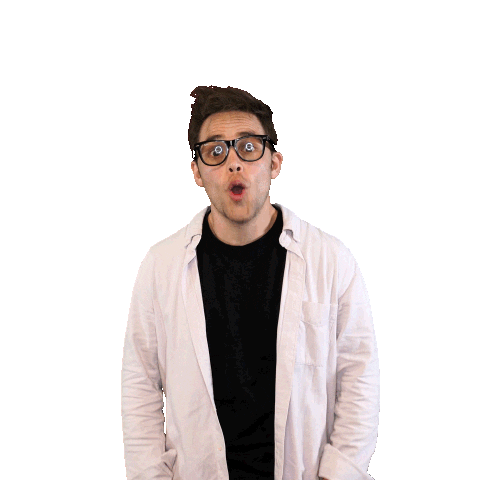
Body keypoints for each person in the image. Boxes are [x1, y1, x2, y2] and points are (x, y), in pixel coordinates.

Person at [121, 86, 380, 480]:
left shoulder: (331, 260)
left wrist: (337, 475)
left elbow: (359, 376)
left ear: (274, 162)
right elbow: (139, 383)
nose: (234, 164)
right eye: (215, 151)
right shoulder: (161, 266)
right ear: (197, 170)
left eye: (248, 147)